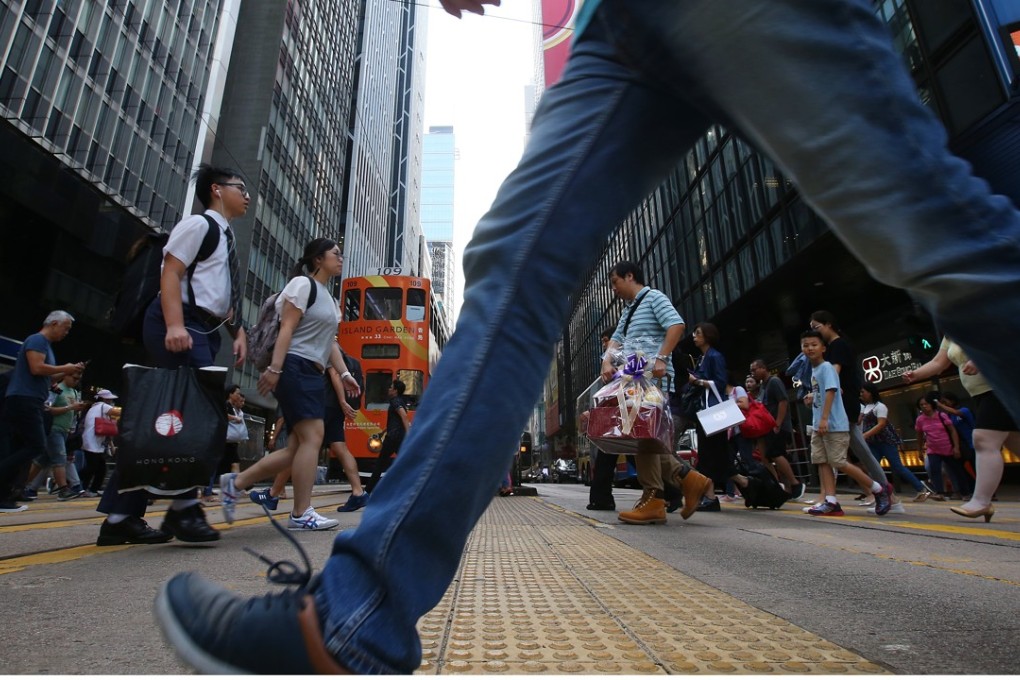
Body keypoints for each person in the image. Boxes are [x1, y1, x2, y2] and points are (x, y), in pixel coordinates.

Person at [153, 1, 1020, 673]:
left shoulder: (657, 305)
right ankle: (354, 616)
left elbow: (673, 330)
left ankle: (358, 611)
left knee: (933, 235)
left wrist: (651, 362)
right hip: (620, 26)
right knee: (515, 271)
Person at [94, 164, 248, 545]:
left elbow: (217, 292)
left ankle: (120, 517)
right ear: (216, 189)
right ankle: (184, 509)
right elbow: (171, 272)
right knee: (196, 416)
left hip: (203, 327)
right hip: (179, 322)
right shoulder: (199, 225)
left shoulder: (225, 235)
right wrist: (175, 325)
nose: (247, 196)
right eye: (240, 188)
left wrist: (238, 331)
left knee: (163, 419)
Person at [220, 239, 358, 531]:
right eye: (335, 254)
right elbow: (287, 328)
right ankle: (301, 512)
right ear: (318, 259)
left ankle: (236, 483)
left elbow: (329, 344)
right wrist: (275, 368)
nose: (340, 258)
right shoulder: (302, 286)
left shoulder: (329, 299)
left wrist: (345, 374)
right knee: (313, 437)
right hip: (295, 367)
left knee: (296, 448)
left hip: (312, 371)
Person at [600, 261, 711, 525]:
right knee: (643, 437)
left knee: (643, 437)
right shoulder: (628, 311)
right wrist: (607, 361)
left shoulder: (653, 297)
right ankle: (686, 480)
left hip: (652, 381)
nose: (614, 289)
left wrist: (662, 357)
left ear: (629, 276)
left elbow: (676, 325)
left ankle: (656, 496)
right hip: (633, 379)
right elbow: (616, 339)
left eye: (615, 282)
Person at [904, 338, 1016, 522]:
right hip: (981, 394)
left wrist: (980, 359)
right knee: (1014, 442)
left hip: (1002, 386)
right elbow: (938, 362)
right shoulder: (950, 332)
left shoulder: (981, 321)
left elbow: (1007, 341)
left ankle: (981, 501)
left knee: (983, 439)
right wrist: (915, 374)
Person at [809, 311, 904, 512]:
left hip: (843, 406)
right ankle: (832, 499)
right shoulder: (835, 346)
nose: (814, 333)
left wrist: (821, 397)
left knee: (855, 453)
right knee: (844, 454)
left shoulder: (838, 345)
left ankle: (887, 495)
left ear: (829, 324)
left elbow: (833, 375)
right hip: (840, 405)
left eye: (816, 327)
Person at [0, 311, 85, 512]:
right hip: (25, 399)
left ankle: (4, 497)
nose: (66, 333)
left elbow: (45, 378)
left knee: (18, 448)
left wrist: (67, 371)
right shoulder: (38, 340)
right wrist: (65, 367)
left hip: (30, 400)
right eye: (65, 328)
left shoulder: (46, 347)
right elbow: (37, 368)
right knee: (36, 445)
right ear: (54, 323)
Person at [686, 323, 747, 512]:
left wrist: (697, 381)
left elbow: (720, 383)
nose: (694, 336)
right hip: (705, 413)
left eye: (698, 333)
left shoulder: (714, 356)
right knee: (713, 455)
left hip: (713, 412)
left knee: (711, 454)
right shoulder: (703, 358)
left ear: (708, 336)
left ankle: (712, 496)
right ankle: (743, 485)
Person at [859, 382, 930, 504]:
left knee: (897, 466)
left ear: (870, 393)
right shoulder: (864, 408)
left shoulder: (880, 406)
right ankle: (880, 494)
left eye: (863, 392)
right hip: (872, 442)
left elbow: (881, 424)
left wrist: (865, 435)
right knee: (873, 468)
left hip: (886, 441)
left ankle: (921, 489)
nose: (861, 394)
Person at [22, 374, 88, 501]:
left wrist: (75, 411)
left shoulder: (74, 392)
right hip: (54, 428)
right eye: (74, 378)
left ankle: (20, 486)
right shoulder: (56, 389)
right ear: (66, 376)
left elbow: (71, 413)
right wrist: (70, 407)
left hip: (64, 431)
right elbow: (47, 408)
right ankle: (63, 489)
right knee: (60, 458)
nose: (76, 381)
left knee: (41, 461)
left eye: (78, 379)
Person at [750, 359, 803, 499]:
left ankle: (795, 483)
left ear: (763, 368)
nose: (753, 373)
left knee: (776, 453)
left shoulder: (774, 381)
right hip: (768, 427)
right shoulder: (763, 386)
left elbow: (783, 402)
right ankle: (785, 487)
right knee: (770, 455)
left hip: (778, 426)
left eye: (754, 370)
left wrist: (778, 423)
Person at [913, 395, 972, 502]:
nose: (924, 406)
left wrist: (956, 447)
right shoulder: (920, 420)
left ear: (932, 404)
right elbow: (919, 435)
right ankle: (940, 493)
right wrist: (920, 450)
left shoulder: (941, 415)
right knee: (934, 469)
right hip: (933, 449)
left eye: (926, 404)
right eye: (921, 405)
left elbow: (952, 431)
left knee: (957, 470)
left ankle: (965, 493)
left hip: (948, 448)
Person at [364, 380, 411, 494]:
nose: (389, 389)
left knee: (379, 465)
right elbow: (397, 421)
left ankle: (368, 491)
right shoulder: (400, 400)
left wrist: (409, 434)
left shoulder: (395, 401)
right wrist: (382, 432)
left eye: (391, 387)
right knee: (405, 461)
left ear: (395, 391)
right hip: (398, 437)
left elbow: (404, 417)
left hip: (393, 438)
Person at [79, 390, 118, 501]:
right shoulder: (103, 406)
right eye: (109, 399)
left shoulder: (95, 408)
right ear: (104, 399)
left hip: (93, 442)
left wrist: (111, 445)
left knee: (100, 467)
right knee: (92, 467)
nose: (111, 401)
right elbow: (117, 412)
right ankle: (78, 485)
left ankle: (92, 489)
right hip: (92, 442)